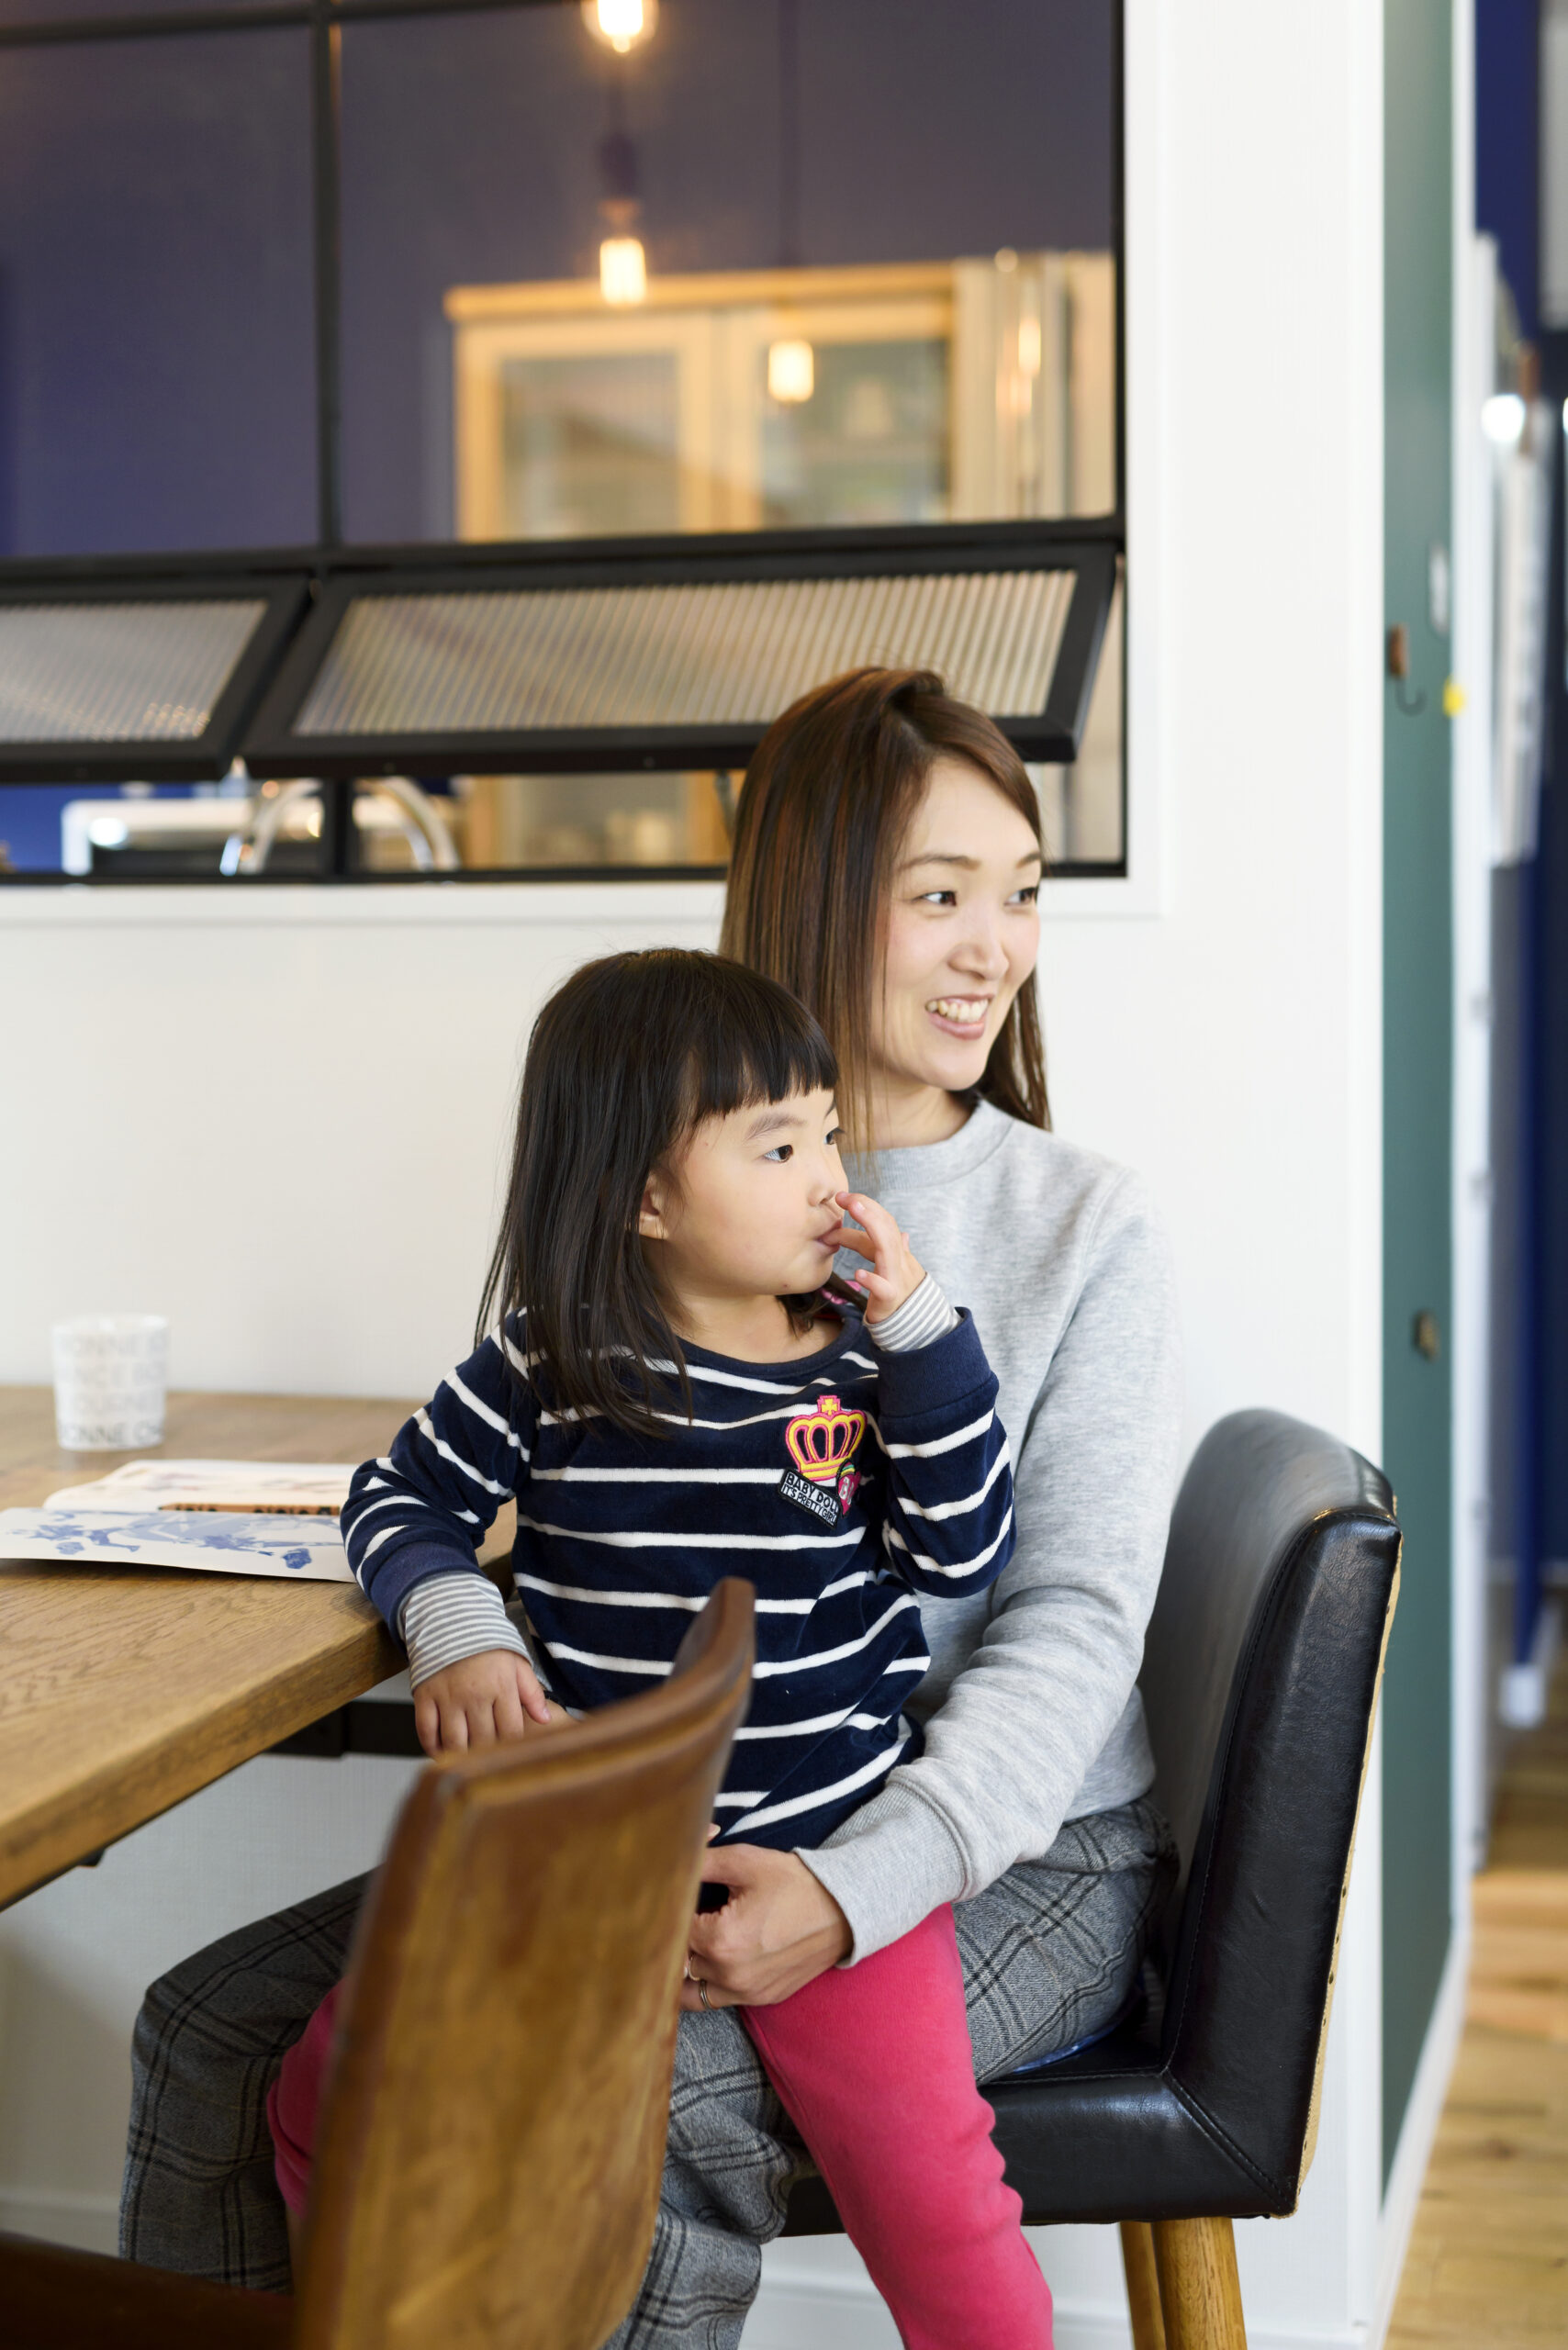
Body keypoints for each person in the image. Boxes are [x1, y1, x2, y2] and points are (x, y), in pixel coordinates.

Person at [122, 667, 1182, 2350]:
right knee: (213, 2028)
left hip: (988, 1844)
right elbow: (492, 1480)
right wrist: (460, 1616)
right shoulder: (650, 1208)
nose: (998, 946)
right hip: (645, 1832)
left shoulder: (1073, 1229)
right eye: (940, 897)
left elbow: (1060, 1619)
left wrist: (856, 1889)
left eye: (1022, 895)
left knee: (635, 2098)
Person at [266, 946, 1050, 2346]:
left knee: (937, 2208)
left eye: (824, 1131)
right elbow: (399, 1498)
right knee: (335, 2092)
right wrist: (456, 1632)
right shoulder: (551, 1363)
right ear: (643, 1196)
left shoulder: (871, 1363)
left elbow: (964, 1552)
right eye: (777, 1145)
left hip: (825, 1856)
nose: (832, 1177)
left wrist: (926, 1333)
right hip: (586, 1865)